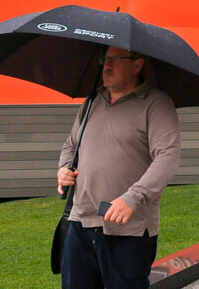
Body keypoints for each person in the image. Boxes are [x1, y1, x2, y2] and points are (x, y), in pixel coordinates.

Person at [57, 46, 180, 289]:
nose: (107, 66)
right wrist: (64, 169)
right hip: (80, 221)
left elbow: (167, 157)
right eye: (105, 59)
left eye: (116, 60)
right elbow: (71, 146)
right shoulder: (91, 102)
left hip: (128, 228)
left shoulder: (156, 104)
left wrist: (133, 198)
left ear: (137, 65)